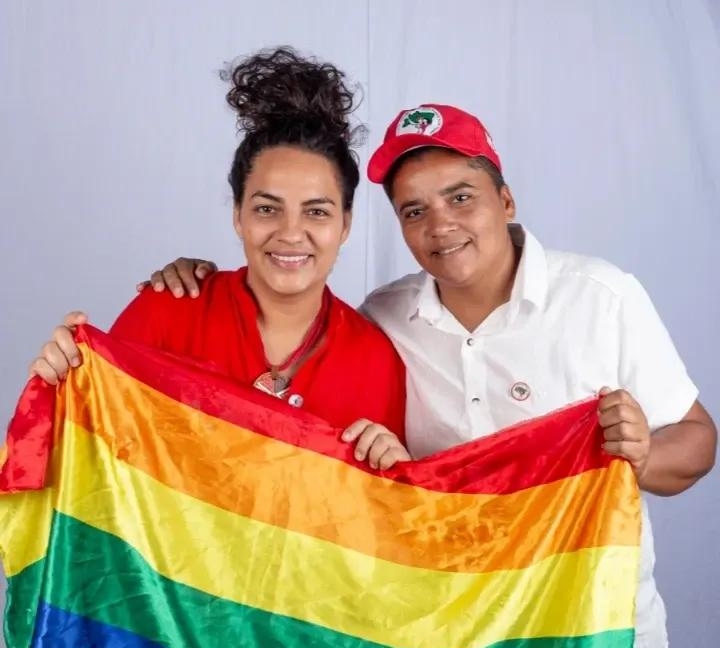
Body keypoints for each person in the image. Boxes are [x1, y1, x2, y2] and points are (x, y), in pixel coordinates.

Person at [142, 102, 717, 648]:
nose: (441, 225)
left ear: (507, 200)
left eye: (461, 198)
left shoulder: (601, 297)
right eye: (414, 211)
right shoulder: (384, 323)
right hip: (452, 625)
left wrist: (642, 455)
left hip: (597, 617)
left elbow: (698, 440)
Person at [28, 47, 411, 471]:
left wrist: (394, 477)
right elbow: (93, 468)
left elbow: (369, 525)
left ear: (345, 226)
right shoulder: (167, 311)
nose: (289, 232)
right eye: (267, 208)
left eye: (316, 211)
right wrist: (63, 388)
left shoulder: (376, 361)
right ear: (238, 217)